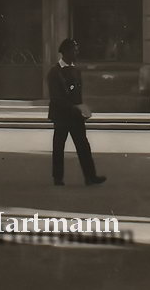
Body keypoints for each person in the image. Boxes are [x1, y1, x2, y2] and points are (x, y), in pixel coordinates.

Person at [48, 38, 104, 187]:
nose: (77, 53)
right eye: (74, 50)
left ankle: (90, 176)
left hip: (75, 115)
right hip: (61, 115)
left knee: (83, 146)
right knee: (59, 147)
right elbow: (55, 97)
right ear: (65, 52)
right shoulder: (54, 72)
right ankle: (58, 177)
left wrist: (82, 110)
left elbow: (77, 95)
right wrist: (74, 107)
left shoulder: (76, 70)